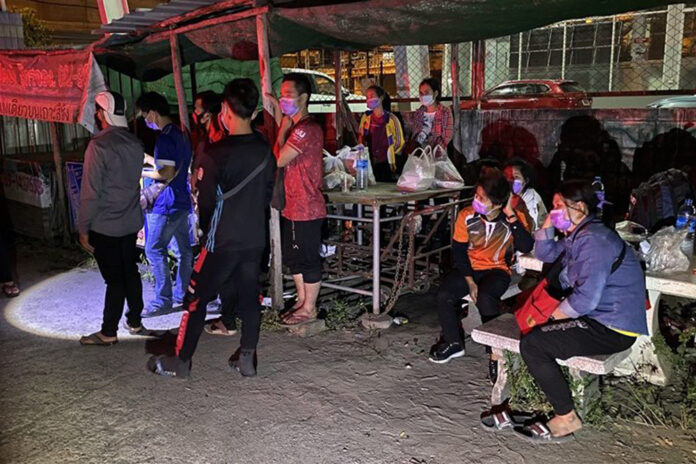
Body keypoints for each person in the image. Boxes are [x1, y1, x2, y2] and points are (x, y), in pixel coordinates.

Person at [148, 78, 275, 378]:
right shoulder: (265, 149)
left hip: (222, 241)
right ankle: (247, 359)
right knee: (250, 298)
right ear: (253, 111)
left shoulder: (215, 153)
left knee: (195, 299)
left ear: (226, 112)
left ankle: (181, 361)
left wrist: (205, 233)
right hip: (255, 238)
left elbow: (205, 204)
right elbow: (267, 192)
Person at [515, 180, 646, 442]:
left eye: (559, 206)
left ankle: (566, 417)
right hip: (598, 319)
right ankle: (562, 409)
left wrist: (552, 319)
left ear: (581, 208)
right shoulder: (580, 235)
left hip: (612, 327)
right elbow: (544, 253)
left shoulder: (594, 240)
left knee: (534, 344)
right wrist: (548, 222)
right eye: (553, 206)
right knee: (534, 337)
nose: (555, 211)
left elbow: (585, 300)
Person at [430, 169, 533, 373]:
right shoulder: (467, 215)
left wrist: (511, 215)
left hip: (497, 270)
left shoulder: (513, 218)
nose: (476, 200)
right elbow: (459, 252)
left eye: (481, 198)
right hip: (469, 268)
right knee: (444, 294)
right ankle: (454, 343)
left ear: (496, 203)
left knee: (486, 298)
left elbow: (526, 244)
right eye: (476, 195)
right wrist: (470, 282)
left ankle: (494, 352)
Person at [78, 91, 145, 345]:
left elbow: (90, 193)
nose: (96, 114)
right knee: (130, 272)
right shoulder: (135, 144)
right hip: (129, 223)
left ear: (104, 114)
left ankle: (108, 332)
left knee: (114, 279)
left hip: (105, 226)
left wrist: (83, 227)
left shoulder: (99, 145)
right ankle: (135, 320)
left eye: (98, 110)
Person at [266, 73, 326, 326]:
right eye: (281, 95)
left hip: (307, 207)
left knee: (309, 259)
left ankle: (309, 308)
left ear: (304, 98)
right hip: (292, 205)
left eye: (288, 96)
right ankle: (301, 301)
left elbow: (277, 159)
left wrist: (282, 127)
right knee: (295, 258)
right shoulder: (297, 128)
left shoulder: (306, 129)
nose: (283, 100)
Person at [136, 92, 194, 317]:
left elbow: (166, 172)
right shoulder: (180, 135)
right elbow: (174, 164)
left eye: (144, 115)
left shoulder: (163, 138)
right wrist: (151, 159)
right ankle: (183, 294)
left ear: (152, 112)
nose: (145, 120)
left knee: (154, 249)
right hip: (181, 200)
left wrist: (144, 170)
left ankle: (163, 300)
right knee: (184, 251)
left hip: (165, 204)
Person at [357, 85, 404, 182]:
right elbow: (361, 137)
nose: (369, 99)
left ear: (381, 97)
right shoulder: (366, 117)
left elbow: (399, 142)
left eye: (371, 96)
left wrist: (389, 155)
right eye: (367, 97)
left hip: (388, 164)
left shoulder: (392, 119)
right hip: (371, 162)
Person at [503, 158, 547, 231]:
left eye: (515, 177)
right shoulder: (503, 196)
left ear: (526, 181)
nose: (509, 180)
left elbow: (531, 229)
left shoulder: (532, 198)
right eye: (505, 176)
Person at [410, 78, 453, 151]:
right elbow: (415, 135)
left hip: (438, 153)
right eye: (421, 93)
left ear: (435, 93)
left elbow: (447, 136)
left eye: (426, 93)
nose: (423, 96)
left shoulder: (445, 112)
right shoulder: (418, 113)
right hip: (419, 153)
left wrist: (435, 152)